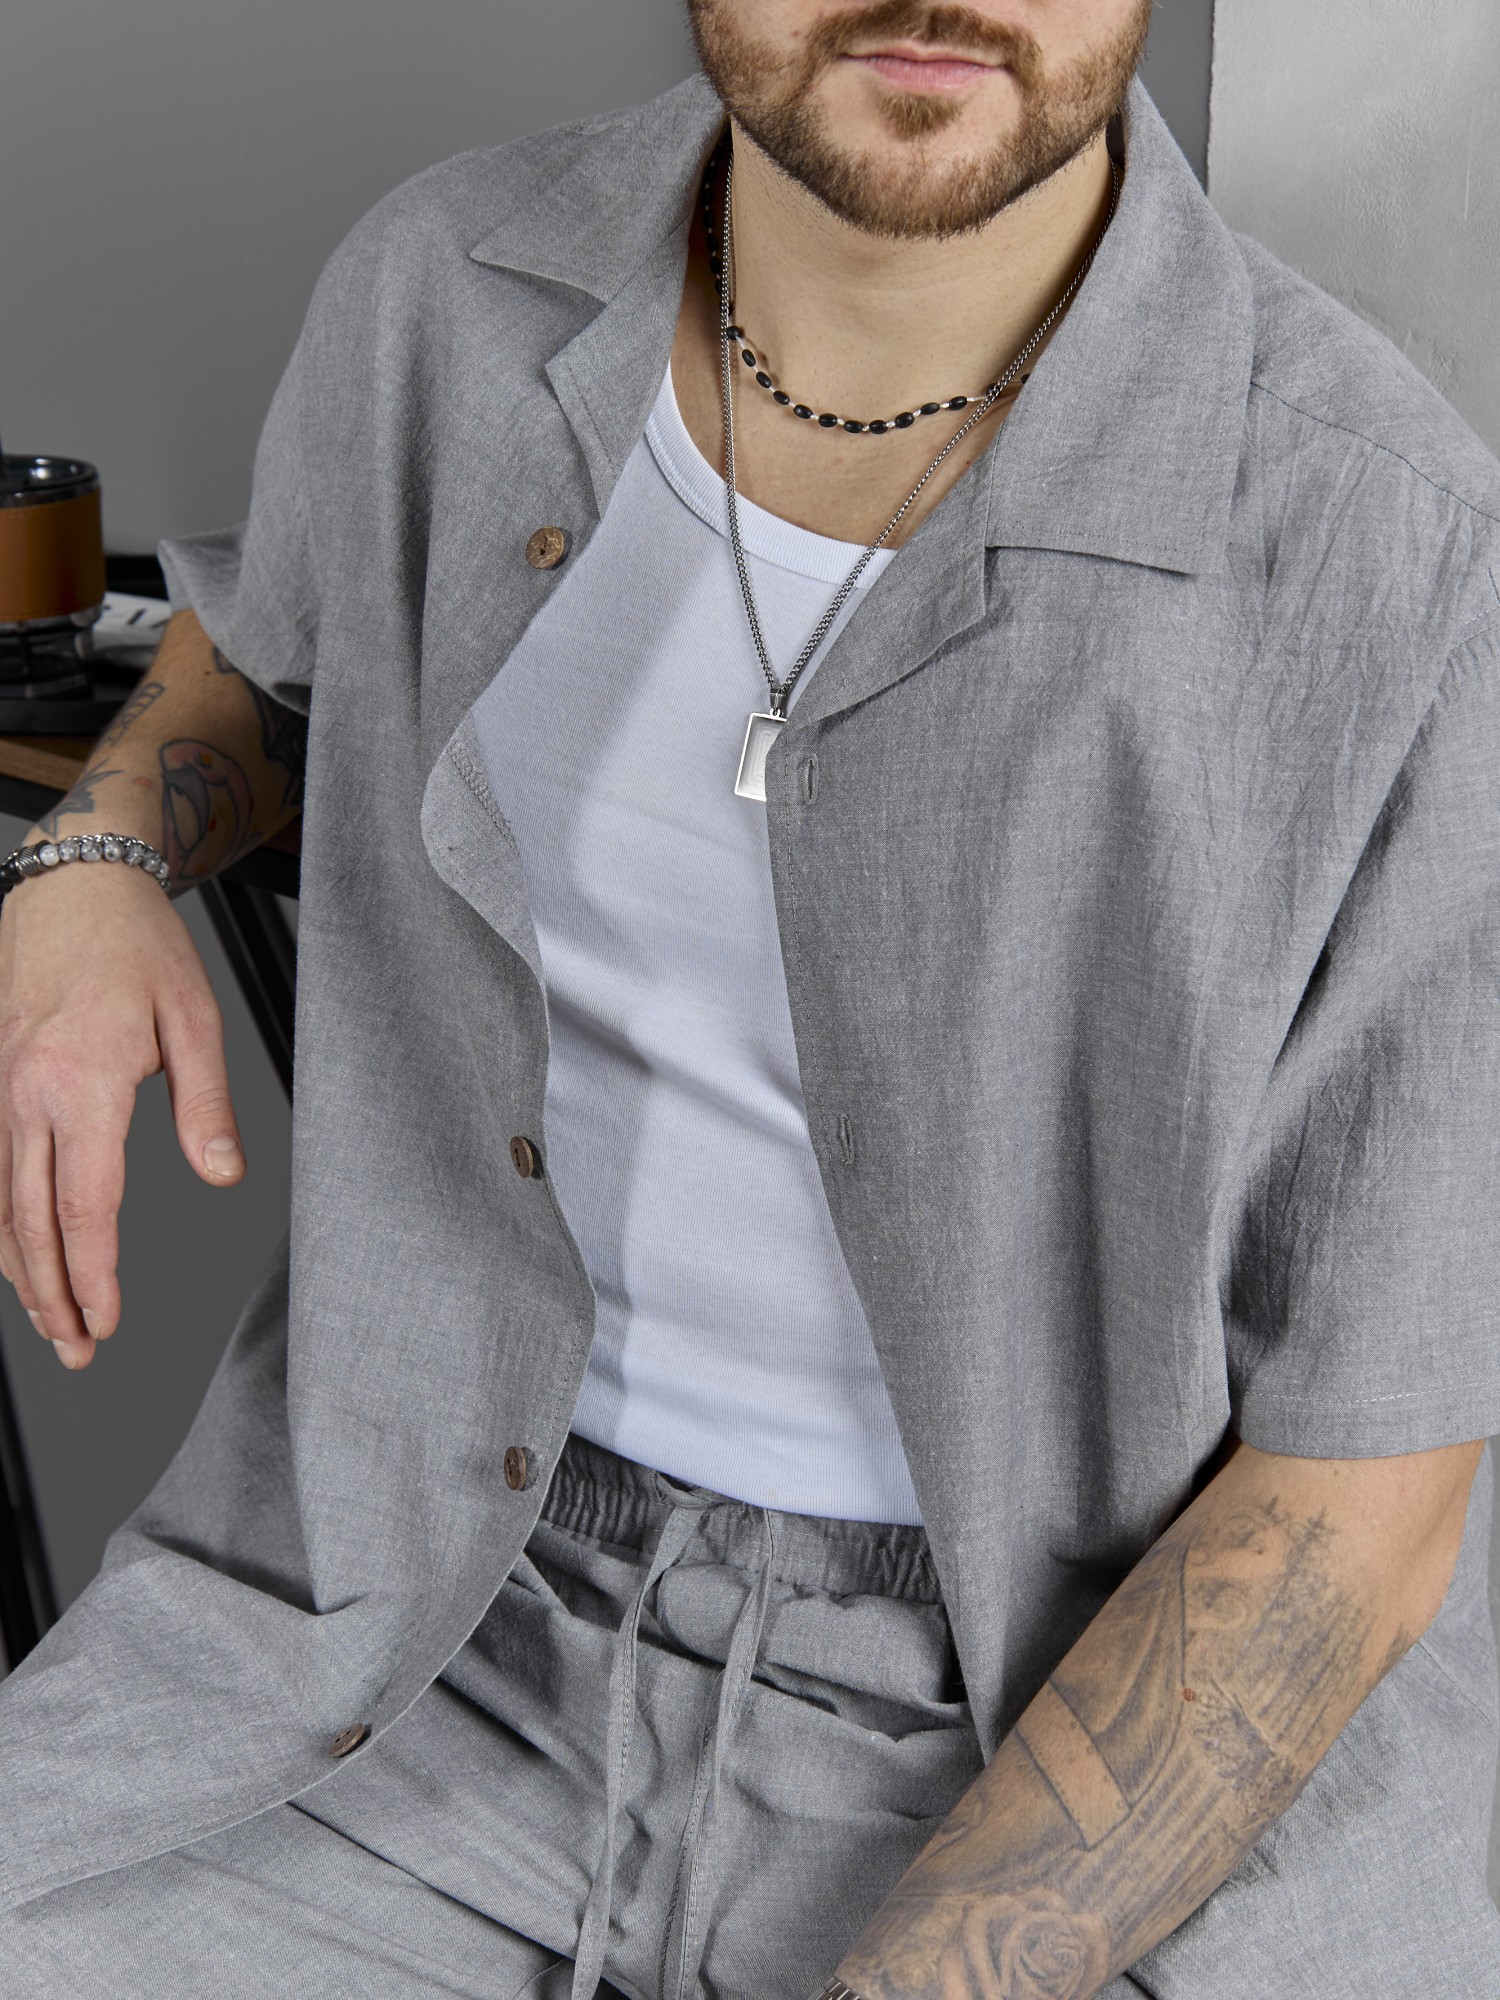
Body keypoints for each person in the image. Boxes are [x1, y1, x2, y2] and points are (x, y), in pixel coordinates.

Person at [0, 1, 1497, 1993]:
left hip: (1055, 1745)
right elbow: (281, 637)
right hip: (421, 1617)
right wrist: (98, 864)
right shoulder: (442, 290)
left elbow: (1357, 1510)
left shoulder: (1402, 560)